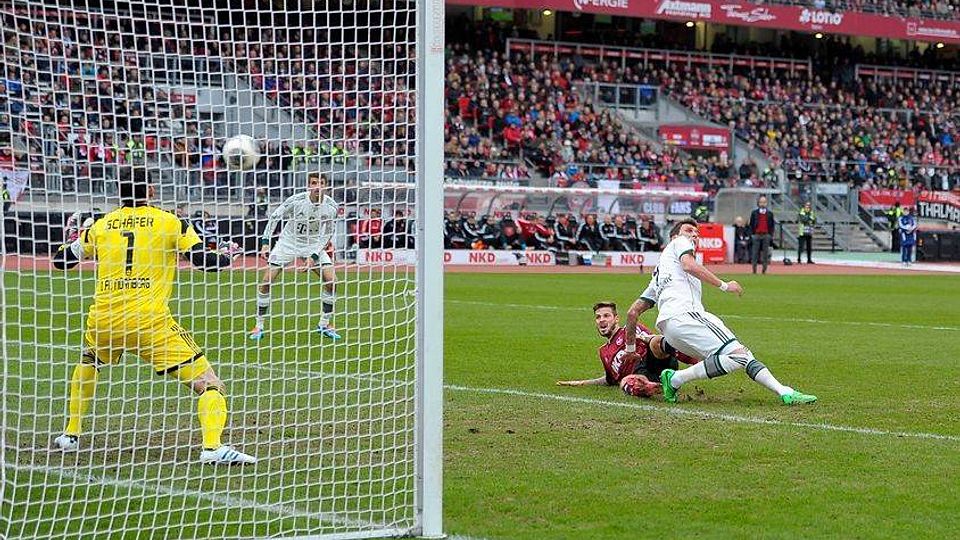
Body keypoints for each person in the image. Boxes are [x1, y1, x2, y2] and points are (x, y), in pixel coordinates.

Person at [50, 167, 255, 464]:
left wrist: (69, 239)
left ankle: (70, 434)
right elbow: (204, 262)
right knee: (210, 383)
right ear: (150, 190)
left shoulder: (102, 225)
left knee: (90, 360)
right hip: (149, 322)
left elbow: (61, 261)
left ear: (119, 191)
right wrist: (226, 256)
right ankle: (212, 448)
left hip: (104, 318)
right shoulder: (170, 221)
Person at [624, 218, 816, 405]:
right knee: (739, 355)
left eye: (696, 233)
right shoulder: (679, 243)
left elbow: (633, 313)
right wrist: (724, 285)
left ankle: (785, 392)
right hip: (687, 317)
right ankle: (674, 379)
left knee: (740, 355)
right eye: (689, 231)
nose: (694, 235)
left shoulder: (659, 275)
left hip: (671, 331)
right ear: (674, 237)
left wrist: (630, 350)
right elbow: (689, 265)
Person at [252, 172, 340, 340]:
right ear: (308, 185)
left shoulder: (332, 207)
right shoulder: (296, 200)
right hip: (288, 243)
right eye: (314, 183)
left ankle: (324, 324)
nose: (317, 187)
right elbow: (275, 216)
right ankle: (258, 326)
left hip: (313, 244)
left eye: (321, 183)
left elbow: (327, 234)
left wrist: (313, 256)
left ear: (326, 186)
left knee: (332, 282)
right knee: (266, 281)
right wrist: (265, 242)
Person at [556, 301, 699, 398]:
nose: (601, 320)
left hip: (653, 360)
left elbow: (656, 341)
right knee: (625, 382)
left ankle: (698, 362)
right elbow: (609, 380)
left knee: (655, 341)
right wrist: (581, 383)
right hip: (639, 375)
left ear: (616, 319)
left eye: (606, 316)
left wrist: (641, 340)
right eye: (598, 317)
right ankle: (660, 386)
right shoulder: (603, 352)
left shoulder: (629, 330)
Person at [749, 195, 775, 274]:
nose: (762, 204)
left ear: (766, 203)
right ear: (758, 203)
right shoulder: (754, 213)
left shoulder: (770, 214)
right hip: (756, 235)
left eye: (764, 202)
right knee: (755, 253)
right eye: (761, 202)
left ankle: (764, 270)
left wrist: (770, 235)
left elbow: (772, 225)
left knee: (765, 254)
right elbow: (751, 224)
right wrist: (752, 235)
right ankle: (754, 270)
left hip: (766, 235)